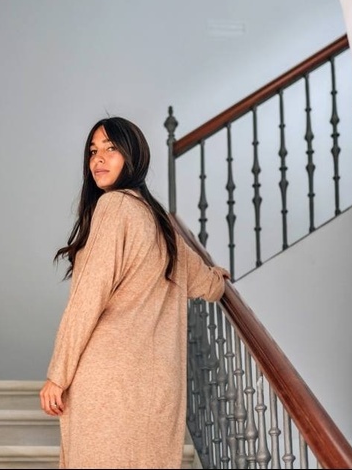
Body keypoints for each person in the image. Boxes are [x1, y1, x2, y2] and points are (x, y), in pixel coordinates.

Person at [40, 116, 230, 469]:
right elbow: (207, 285)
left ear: (133, 155)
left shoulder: (114, 207)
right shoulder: (159, 220)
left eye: (111, 149)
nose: (97, 159)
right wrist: (218, 276)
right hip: (156, 388)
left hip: (110, 382)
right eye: (93, 151)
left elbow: (86, 297)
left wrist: (58, 374)